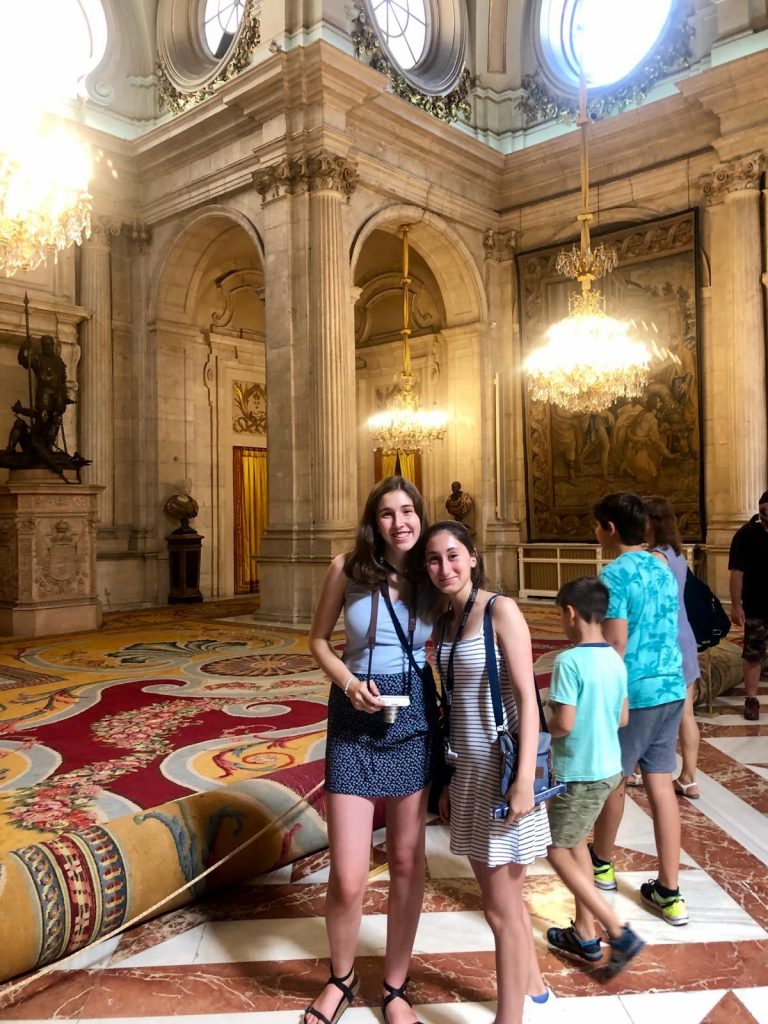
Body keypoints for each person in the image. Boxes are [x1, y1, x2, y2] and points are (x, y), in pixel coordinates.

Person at [307, 476, 439, 1024]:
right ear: (373, 521)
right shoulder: (347, 568)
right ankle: (341, 979)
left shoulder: (432, 572)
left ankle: (395, 985)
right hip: (353, 716)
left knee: (407, 861)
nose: (399, 522)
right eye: (387, 513)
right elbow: (317, 640)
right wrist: (347, 683)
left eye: (408, 511)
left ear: (420, 516)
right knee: (347, 876)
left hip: (413, 716)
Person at [423, 521, 552, 1024]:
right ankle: (534, 984)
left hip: (503, 774)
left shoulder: (501, 609)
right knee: (504, 901)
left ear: (473, 557)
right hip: (469, 774)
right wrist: (449, 779)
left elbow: (528, 698)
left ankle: (509, 1018)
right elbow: (453, 706)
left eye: (453, 555)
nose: (445, 568)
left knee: (500, 911)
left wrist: (524, 780)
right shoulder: (446, 620)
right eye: (434, 559)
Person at [589, 493, 689, 926]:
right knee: (661, 785)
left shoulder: (613, 574)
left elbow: (615, 643)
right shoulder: (661, 565)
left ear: (610, 529)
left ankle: (601, 864)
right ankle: (669, 890)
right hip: (671, 686)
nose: (596, 532)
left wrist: (608, 699)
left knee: (615, 779)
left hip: (635, 693)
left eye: (597, 526)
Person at [545, 577, 644, 976]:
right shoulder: (615, 660)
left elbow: (563, 724)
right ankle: (584, 934)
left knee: (555, 849)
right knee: (576, 845)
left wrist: (538, 724)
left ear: (570, 613)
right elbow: (623, 717)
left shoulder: (569, 662)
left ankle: (617, 930)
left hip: (578, 772)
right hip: (608, 769)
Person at [645, 496, 702, 797]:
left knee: (653, 713)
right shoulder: (676, 553)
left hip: (668, 641)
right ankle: (689, 778)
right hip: (685, 635)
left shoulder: (657, 558)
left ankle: (645, 772)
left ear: (652, 522)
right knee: (686, 713)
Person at [728, 491, 768, 722]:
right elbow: (737, 572)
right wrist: (736, 606)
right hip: (756, 606)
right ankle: (751, 699)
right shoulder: (746, 535)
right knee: (753, 653)